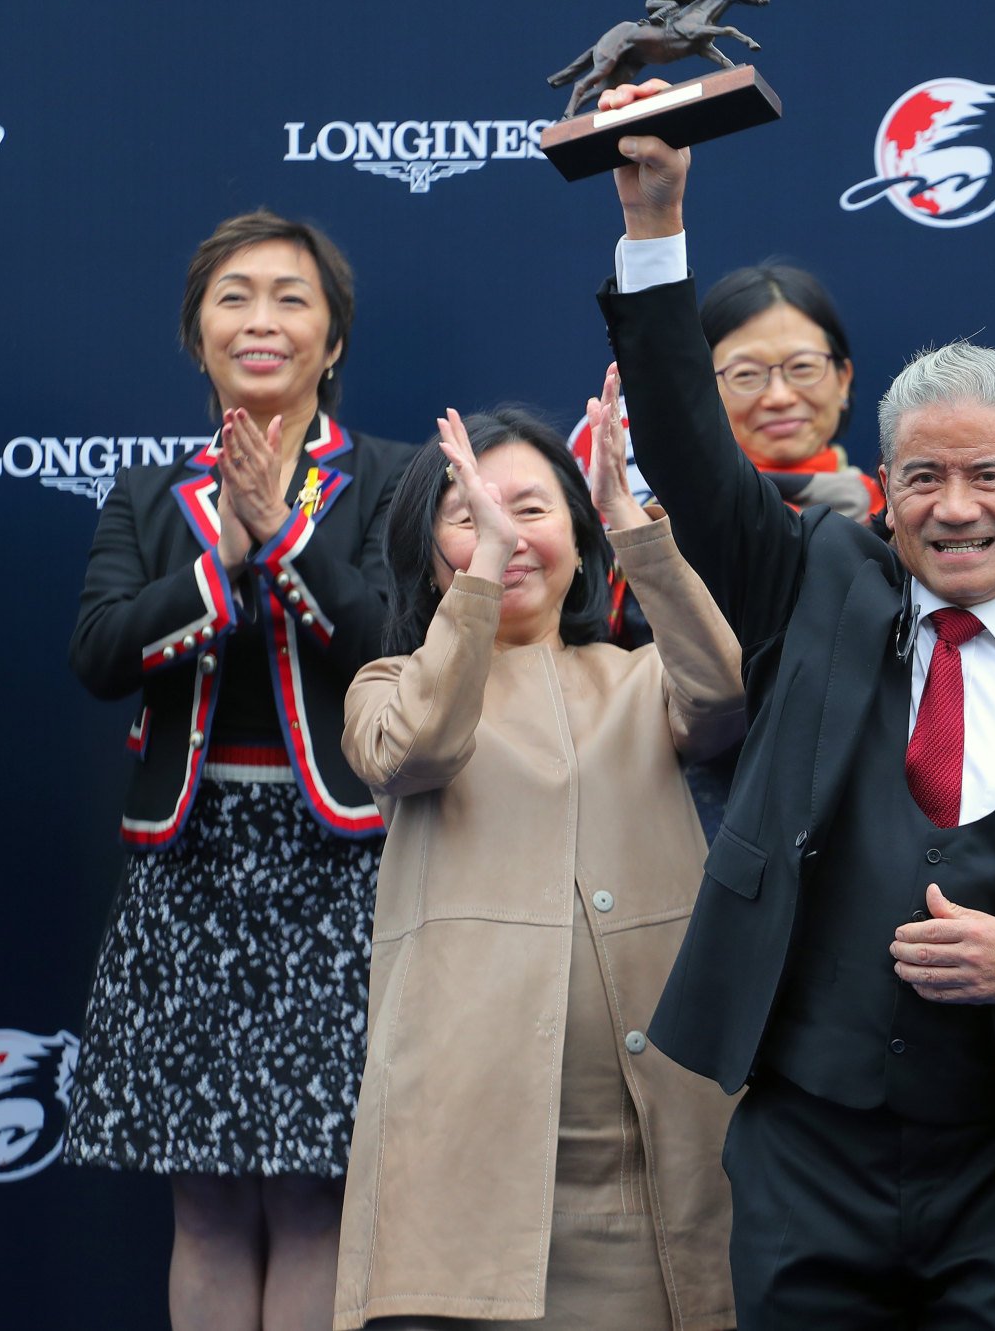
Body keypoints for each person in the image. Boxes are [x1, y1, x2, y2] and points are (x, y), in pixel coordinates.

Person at [594, 80, 995, 1330]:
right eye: (923, 476)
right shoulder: (815, 590)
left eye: (990, 475)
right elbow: (685, 446)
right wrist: (654, 214)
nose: (955, 506)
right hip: (809, 1155)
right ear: (879, 490)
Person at [64, 210, 411, 1330]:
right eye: (234, 296)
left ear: (333, 339)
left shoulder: (396, 483)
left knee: (317, 1194)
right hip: (187, 862)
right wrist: (220, 557)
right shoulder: (148, 497)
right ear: (198, 334)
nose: (262, 318)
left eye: (291, 297)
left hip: (344, 865)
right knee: (205, 1202)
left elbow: (394, 648)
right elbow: (100, 657)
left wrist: (288, 538)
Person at [334, 405, 742, 1329]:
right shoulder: (387, 685)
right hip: (469, 1160)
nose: (506, 533)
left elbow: (720, 697)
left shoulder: (637, 677)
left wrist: (628, 519)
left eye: (532, 509)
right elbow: (422, 748)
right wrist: (484, 573)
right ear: (425, 547)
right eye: (469, 512)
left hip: (647, 1158)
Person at [700, 261, 885, 522]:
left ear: (842, 380)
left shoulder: (898, 519)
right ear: (706, 392)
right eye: (746, 374)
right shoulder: (671, 522)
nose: (779, 397)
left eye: (802, 367)